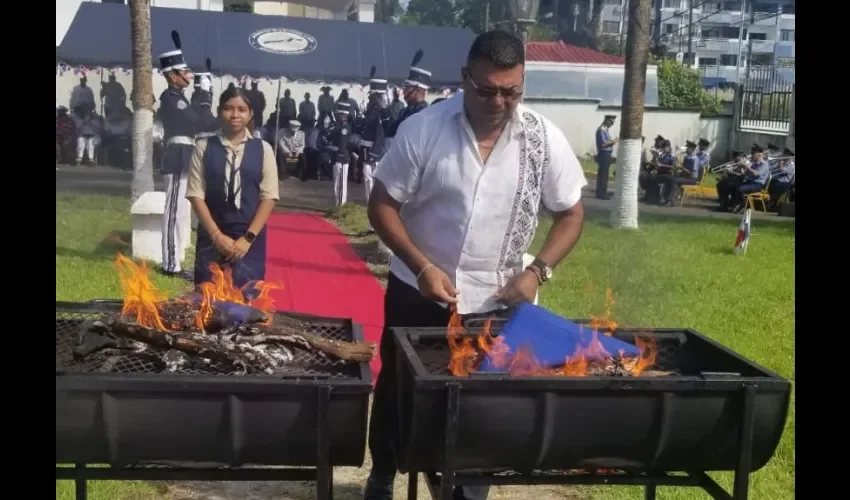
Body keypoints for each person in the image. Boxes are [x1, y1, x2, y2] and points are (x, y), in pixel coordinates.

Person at [365, 30, 587, 500]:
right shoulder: (424, 129)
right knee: (401, 391)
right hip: (419, 287)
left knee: (484, 402)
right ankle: (384, 472)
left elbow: (571, 213)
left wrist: (538, 271)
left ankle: (466, 490)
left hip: (496, 298)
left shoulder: (543, 138)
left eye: (511, 90)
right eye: (487, 90)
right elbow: (382, 204)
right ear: (465, 79)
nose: (499, 101)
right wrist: (421, 264)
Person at [186, 87, 280, 291]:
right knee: (208, 302)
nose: (235, 115)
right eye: (228, 108)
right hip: (212, 236)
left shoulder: (263, 149)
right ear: (220, 111)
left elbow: (269, 196)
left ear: (250, 114)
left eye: (241, 109)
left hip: (249, 238)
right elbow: (195, 194)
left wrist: (247, 239)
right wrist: (217, 236)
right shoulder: (204, 147)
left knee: (247, 303)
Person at [156, 36, 219, 280]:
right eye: (184, 72)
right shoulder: (170, 99)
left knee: (182, 213)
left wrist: (207, 94)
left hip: (187, 155)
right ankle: (169, 264)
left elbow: (207, 124)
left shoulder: (181, 98)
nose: (188, 76)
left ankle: (177, 257)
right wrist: (204, 98)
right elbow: (199, 120)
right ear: (172, 75)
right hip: (176, 157)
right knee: (172, 213)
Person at [360, 76, 392, 231]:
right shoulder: (372, 110)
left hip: (374, 154)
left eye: (373, 95)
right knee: (368, 187)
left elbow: (380, 135)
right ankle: (371, 224)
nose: (371, 98)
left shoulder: (380, 112)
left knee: (373, 190)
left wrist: (372, 156)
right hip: (368, 151)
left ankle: (374, 225)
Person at [386, 50, 431, 138]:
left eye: (407, 87)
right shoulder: (406, 111)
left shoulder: (425, 114)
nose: (403, 91)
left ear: (416, 89)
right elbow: (392, 132)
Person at [320, 102, 356, 207]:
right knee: (337, 184)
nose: (335, 116)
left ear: (342, 115)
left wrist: (330, 148)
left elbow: (342, 146)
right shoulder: (338, 127)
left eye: (337, 114)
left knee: (340, 184)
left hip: (341, 158)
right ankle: (337, 205)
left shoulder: (344, 128)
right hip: (336, 158)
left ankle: (340, 206)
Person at [731, 144, 770, 212]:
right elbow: (745, 175)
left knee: (740, 189)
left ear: (759, 154)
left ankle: (743, 206)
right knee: (733, 186)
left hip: (757, 185)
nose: (751, 155)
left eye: (753, 153)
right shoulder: (754, 163)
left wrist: (747, 166)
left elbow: (756, 174)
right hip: (749, 182)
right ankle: (733, 205)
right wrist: (742, 168)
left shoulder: (764, 164)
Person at [594, 114, 618, 200]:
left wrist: (612, 142)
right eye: (611, 122)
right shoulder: (602, 130)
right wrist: (614, 141)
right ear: (607, 120)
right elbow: (603, 144)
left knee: (604, 174)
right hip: (604, 154)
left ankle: (601, 192)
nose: (612, 124)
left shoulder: (606, 130)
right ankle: (601, 194)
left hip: (606, 154)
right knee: (603, 175)